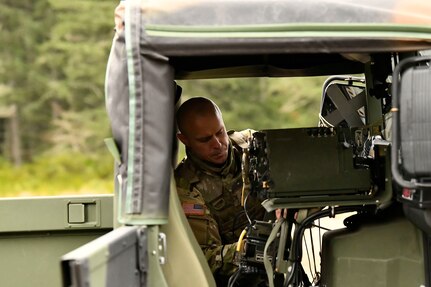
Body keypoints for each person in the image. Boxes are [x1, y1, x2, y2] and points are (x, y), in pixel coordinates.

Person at [174, 97, 265, 284]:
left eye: (220, 132)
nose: (217, 144)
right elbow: (203, 257)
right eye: (205, 139)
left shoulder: (252, 146)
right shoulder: (185, 188)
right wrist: (248, 250)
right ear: (185, 140)